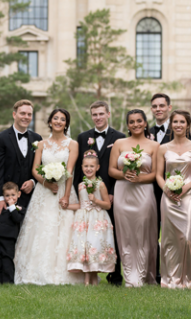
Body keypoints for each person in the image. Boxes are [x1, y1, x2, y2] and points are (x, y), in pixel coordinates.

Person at [14, 108, 84, 285]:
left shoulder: (72, 144)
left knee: (63, 230)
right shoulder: (41, 144)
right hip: (43, 192)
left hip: (63, 190)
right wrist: (47, 183)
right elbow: (35, 169)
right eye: (55, 118)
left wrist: (66, 195)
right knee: (42, 228)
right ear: (50, 121)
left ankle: (64, 272)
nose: (59, 121)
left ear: (66, 123)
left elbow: (70, 171)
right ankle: (35, 271)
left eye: (62, 119)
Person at [73, 100, 126, 286]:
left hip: (111, 192)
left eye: (101, 114)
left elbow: (121, 166)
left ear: (108, 114)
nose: (98, 117)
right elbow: (79, 170)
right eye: (95, 114)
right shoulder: (82, 137)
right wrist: (80, 194)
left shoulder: (120, 137)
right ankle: (89, 271)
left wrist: (111, 192)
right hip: (88, 194)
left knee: (114, 233)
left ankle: (115, 274)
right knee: (89, 235)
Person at [108, 109, 159, 288]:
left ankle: (145, 275)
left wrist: (139, 178)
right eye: (132, 121)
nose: (136, 124)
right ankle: (130, 276)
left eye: (139, 121)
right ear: (128, 125)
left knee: (143, 233)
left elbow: (156, 174)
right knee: (125, 235)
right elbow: (111, 170)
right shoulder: (119, 143)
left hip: (144, 193)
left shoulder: (154, 146)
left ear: (145, 123)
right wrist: (125, 174)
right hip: (123, 193)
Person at [155, 110, 191, 289]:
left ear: (188, 125)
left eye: (182, 122)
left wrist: (186, 187)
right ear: (171, 125)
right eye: (175, 122)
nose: (178, 125)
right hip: (168, 199)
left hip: (188, 197)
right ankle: (170, 279)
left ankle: (190, 279)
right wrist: (166, 189)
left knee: (189, 238)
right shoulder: (163, 148)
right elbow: (158, 175)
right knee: (169, 239)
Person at [67, 150, 116, 286]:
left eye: (91, 166)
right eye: (86, 166)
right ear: (82, 168)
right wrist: (67, 206)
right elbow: (80, 204)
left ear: (97, 168)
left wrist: (96, 200)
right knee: (85, 248)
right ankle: (88, 280)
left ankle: (91, 279)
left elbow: (107, 205)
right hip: (83, 220)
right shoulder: (80, 185)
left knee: (94, 246)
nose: (88, 169)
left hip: (97, 220)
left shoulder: (101, 185)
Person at [0, 100, 42, 212]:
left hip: (31, 198)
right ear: (14, 114)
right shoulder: (1, 138)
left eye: (29, 114)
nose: (26, 117)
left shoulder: (37, 138)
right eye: (22, 113)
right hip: (8, 199)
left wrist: (33, 182)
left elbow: (40, 166)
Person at [149, 92, 173, 283]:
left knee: (172, 233)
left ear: (169, 108)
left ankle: (171, 272)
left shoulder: (180, 130)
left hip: (174, 191)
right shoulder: (145, 132)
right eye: (155, 106)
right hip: (148, 190)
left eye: (161, 106)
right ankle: (154, 273)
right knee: (151, 233)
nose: (158, 109)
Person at [0, 182, 26, 285]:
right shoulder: (1, 208)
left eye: (13, 195)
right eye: (7, 195)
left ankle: (8, 281)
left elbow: (17, 219)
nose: (10, 198)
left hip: (8, 238)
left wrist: (12, 206)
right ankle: (0, 280)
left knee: (7, 259)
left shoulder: (19, 209)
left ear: (18, 194)